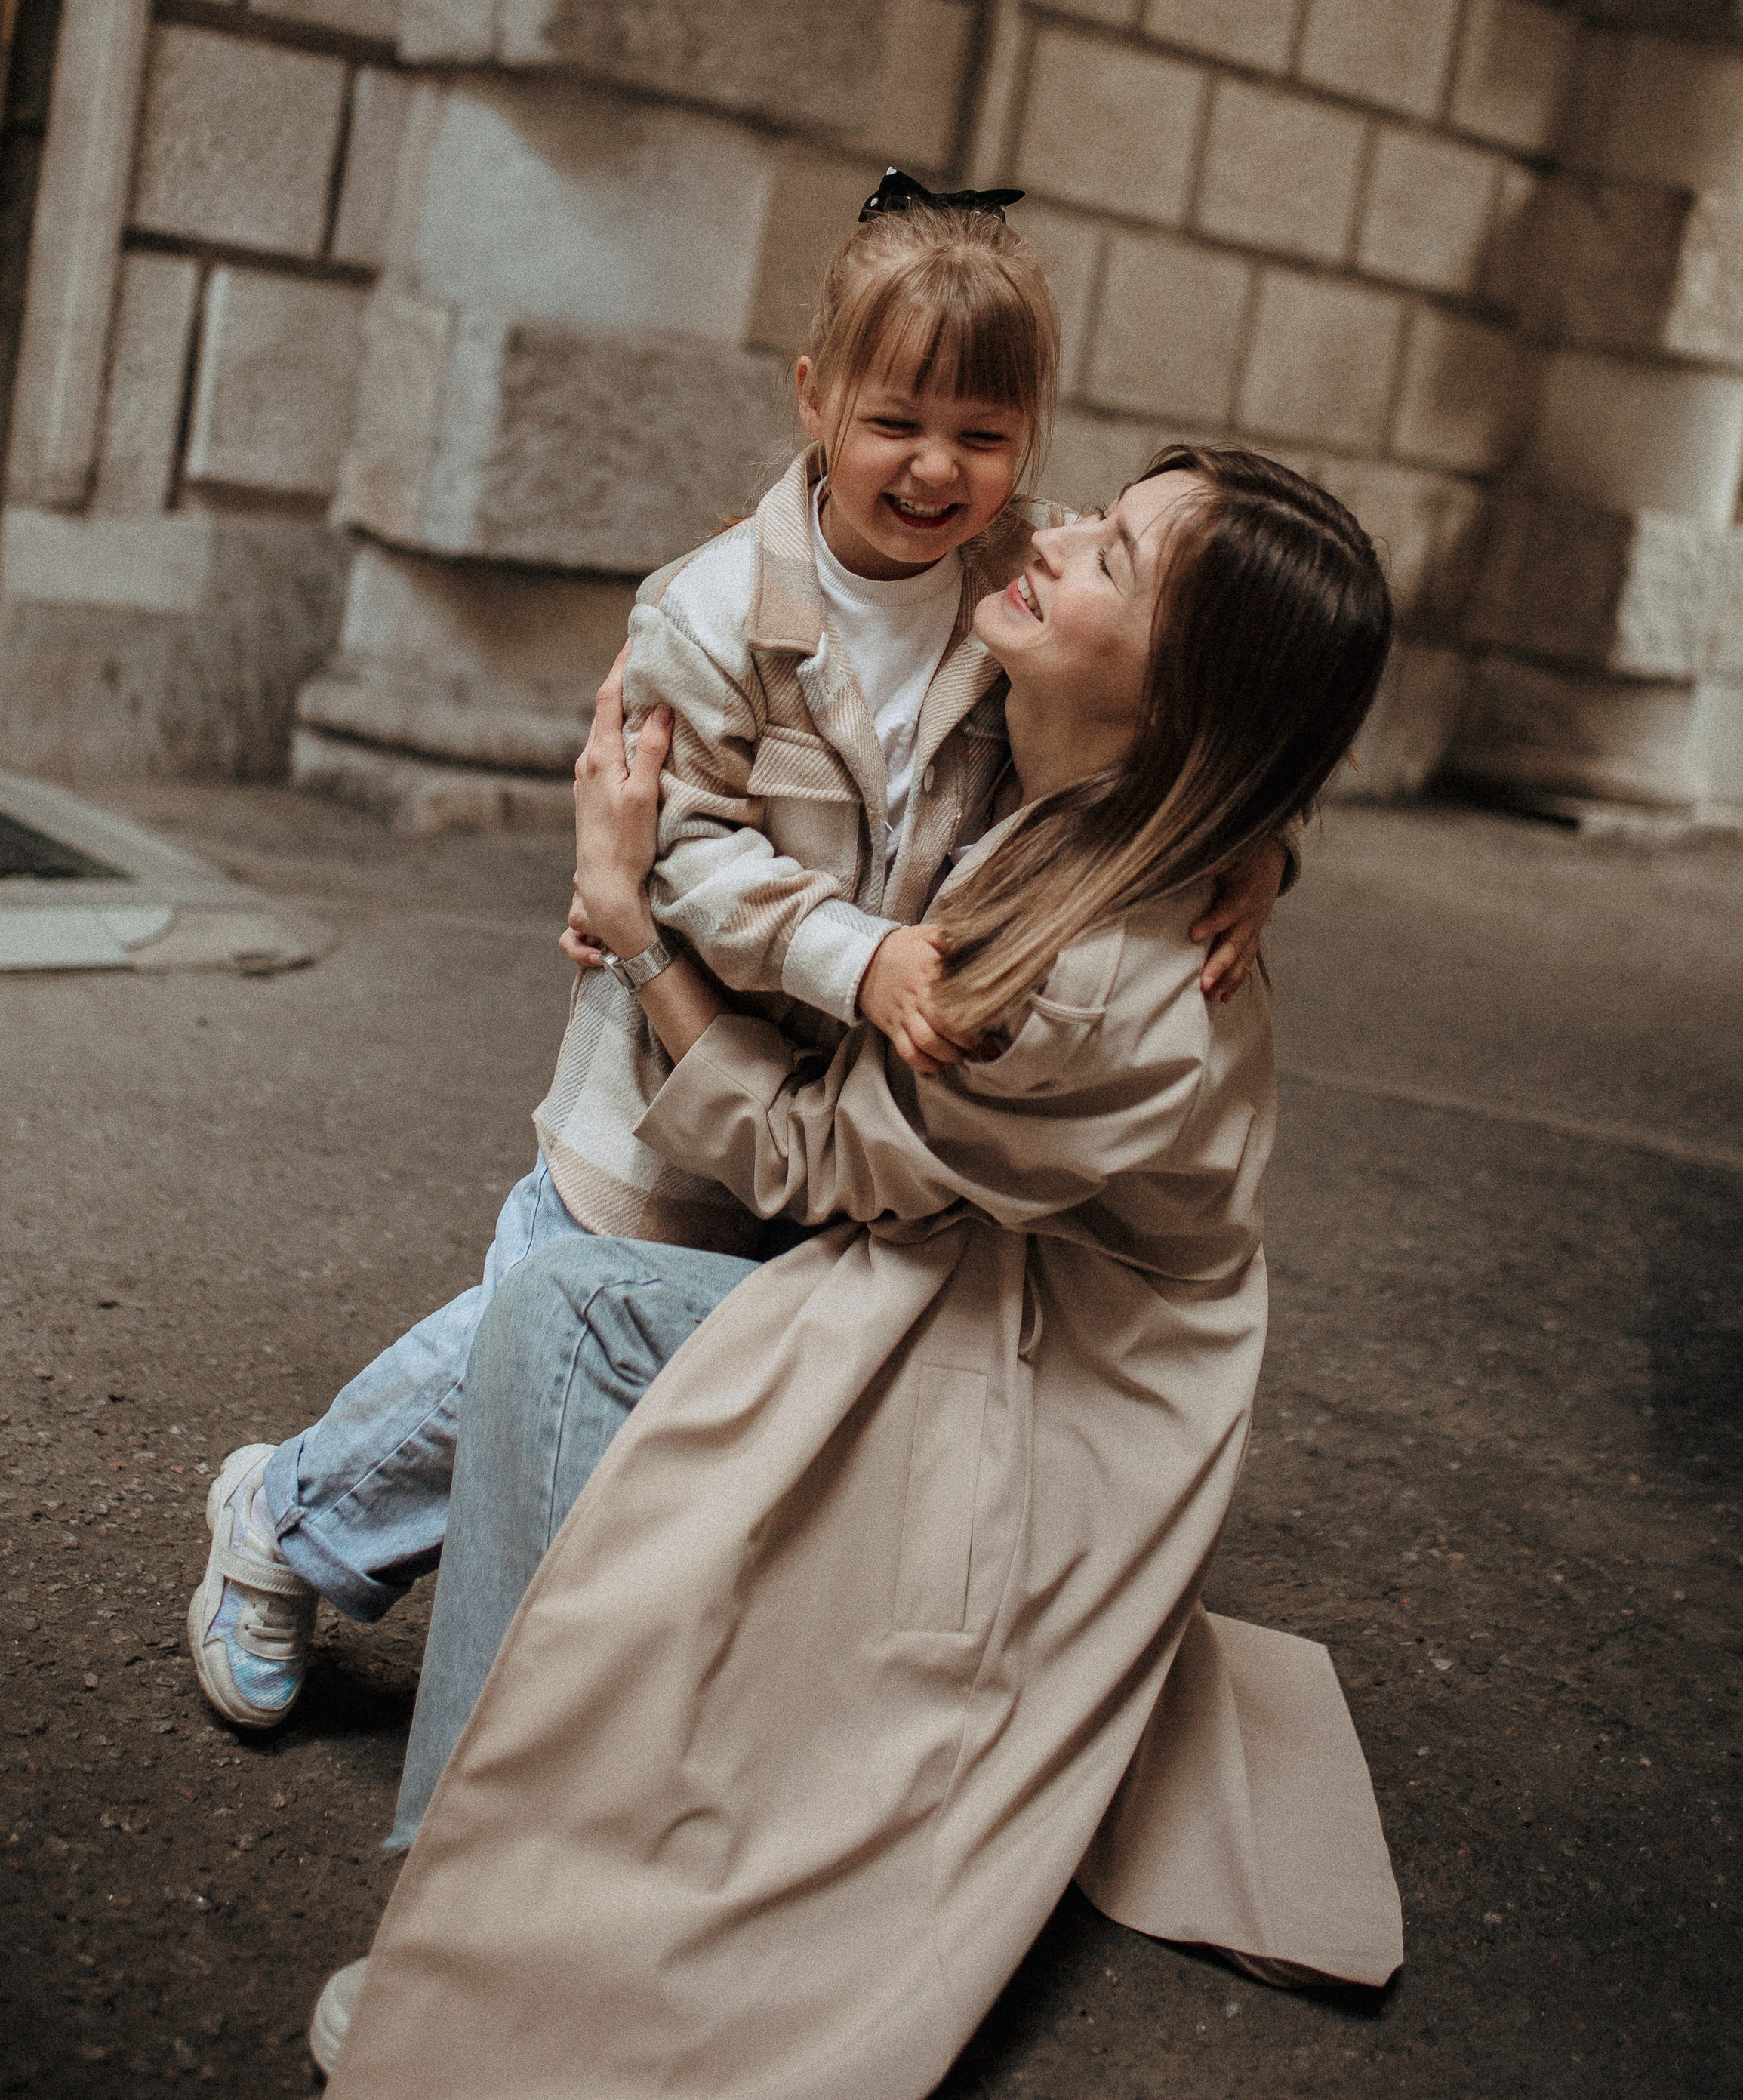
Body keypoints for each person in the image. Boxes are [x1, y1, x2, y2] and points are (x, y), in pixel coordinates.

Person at [309, 444, 1404, 2094]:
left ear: (1178, 691)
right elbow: (837, 513)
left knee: (577, 1304)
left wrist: (629, 917)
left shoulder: (1101, 975)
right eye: (1102, 511)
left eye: (1117, 558)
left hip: (1063, 1377)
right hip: (992, 1259)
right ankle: (321, 1561)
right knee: (597, 1284)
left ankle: (463, 1915)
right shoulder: (1093, 755)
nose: (1057, 537)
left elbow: (818, 1160)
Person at [187, 186, 1289, 1731]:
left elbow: (1186, 704)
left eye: (982, 434)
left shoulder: (1018, 579)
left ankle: (560, 1645)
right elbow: (683, 844)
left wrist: (1252, 843)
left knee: (649, 1386)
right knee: (507, 1340)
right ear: (812, 397)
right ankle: (284, 1517)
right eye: (893, 418)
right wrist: (858, 958)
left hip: (824, 1091)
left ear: (1030, 437)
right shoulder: (710, 611)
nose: (933, 468)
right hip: (664, 1069)